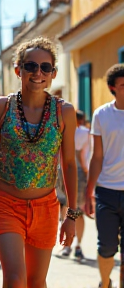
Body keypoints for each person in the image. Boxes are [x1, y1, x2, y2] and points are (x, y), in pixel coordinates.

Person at [0, 36, 79, 288]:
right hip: (6, 204)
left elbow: (68, 164)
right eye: (30, 66)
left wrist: (72, 215)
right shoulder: (2, 106)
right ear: (18, 69)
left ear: (53, 73)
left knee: (36, 281)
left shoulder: (64, 111)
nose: (38, 72)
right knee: (14, 280)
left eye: (45, 67)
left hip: (46, 208)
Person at [85, 64, 124, 288]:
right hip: (107, 192)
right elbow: (96, 156)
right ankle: (105, 282)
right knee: (107, 247)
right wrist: (88, 191)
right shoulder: (102, 114)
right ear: (113, 88)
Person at [61, 110, 91, 262]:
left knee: (66, 207)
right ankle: (78, 245)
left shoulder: (63, 129)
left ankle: (67, 244)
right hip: (80, 172)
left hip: (63, 170)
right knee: (78, 211)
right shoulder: (86, 133)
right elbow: (85, 157)